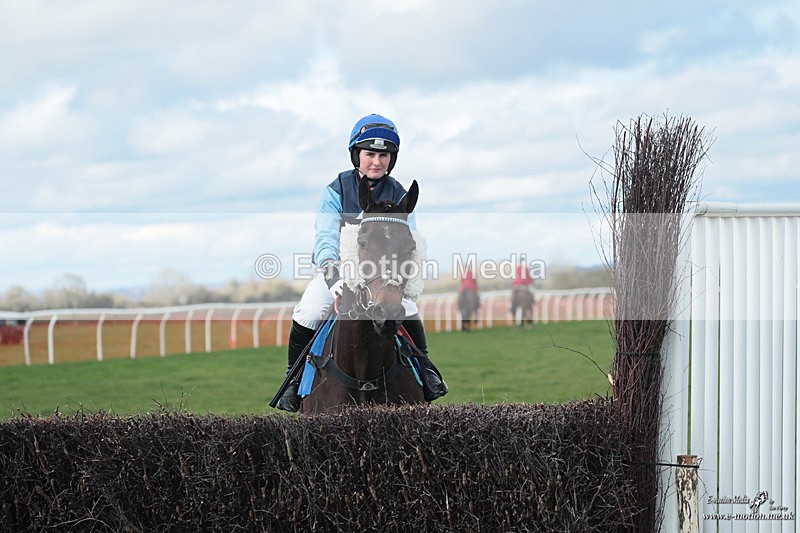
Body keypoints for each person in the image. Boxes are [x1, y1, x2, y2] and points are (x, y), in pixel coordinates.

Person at [275, 114, 448, 412]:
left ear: (391, 159)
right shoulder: (336, 190)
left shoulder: (400, 194)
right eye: (370, 154)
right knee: (309, 310)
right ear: (357, 155)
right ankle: (293, 379)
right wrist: (336, 282)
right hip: (343, 272)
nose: (376, 162)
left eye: (383, 155)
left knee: (409, 309)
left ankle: (426, 372)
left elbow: (411, 240)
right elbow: (325, 240)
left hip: (387, 276)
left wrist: (400, 279)